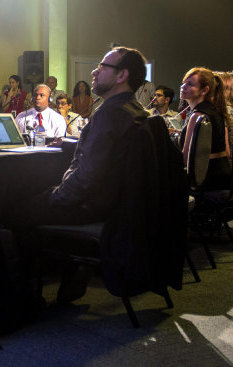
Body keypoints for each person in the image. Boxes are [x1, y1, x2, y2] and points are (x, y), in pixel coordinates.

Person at [16, 47, 153, 303]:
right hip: (117, 204)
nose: (94, 71)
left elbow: (86, 179)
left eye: (102, 66)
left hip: (94, 205)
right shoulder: (136, 111)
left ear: (122, 75)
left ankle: (23, 297)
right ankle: (74, 266)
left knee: (16, 211)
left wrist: (55, 196)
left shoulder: (109, 115)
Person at [180, 67, 231, 197]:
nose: (183, 86)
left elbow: (185, 159)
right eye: (184, 82)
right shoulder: (217, 112)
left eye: (190, 84)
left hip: (206, 183)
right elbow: (227, 152)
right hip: (224, 179)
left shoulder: (197, 115)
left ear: (205, 90)